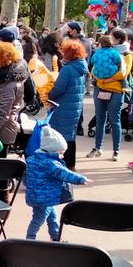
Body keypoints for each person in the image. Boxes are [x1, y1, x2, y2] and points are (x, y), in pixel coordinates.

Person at [23, 125, 89, 241]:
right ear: (52, 151)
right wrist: (80, 179)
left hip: (36, 196)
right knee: (39, 219)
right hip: (45, 197)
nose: (62, 156)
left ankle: (55, 236)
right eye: (60, 153)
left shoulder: (32, 159)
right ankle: (30, 239)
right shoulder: (51, 163)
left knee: (52, 216)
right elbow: (64, 173)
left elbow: (26, 177)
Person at [46, 39, 88, 170]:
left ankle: (63, 167)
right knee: (71, 136)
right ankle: (71, 165)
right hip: (74, 107)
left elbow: (58, 89)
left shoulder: (68, 69)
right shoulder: (81, 67)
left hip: (63, 107)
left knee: (61, 138)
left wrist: (49, 94)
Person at [0, 39, 28, 152]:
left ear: (1, 60)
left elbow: (2, 113)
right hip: (1, 130)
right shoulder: (3, 76)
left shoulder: (8, 83)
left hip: (1, 133)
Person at [87, 34, 127, 160]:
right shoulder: (117, 55)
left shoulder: (99, 54)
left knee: (113, 120)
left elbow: (123, 73)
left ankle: (116, 150)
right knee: (101, 120)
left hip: (113, 91)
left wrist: (103, 79)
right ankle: (98, 147)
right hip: (103, 89)